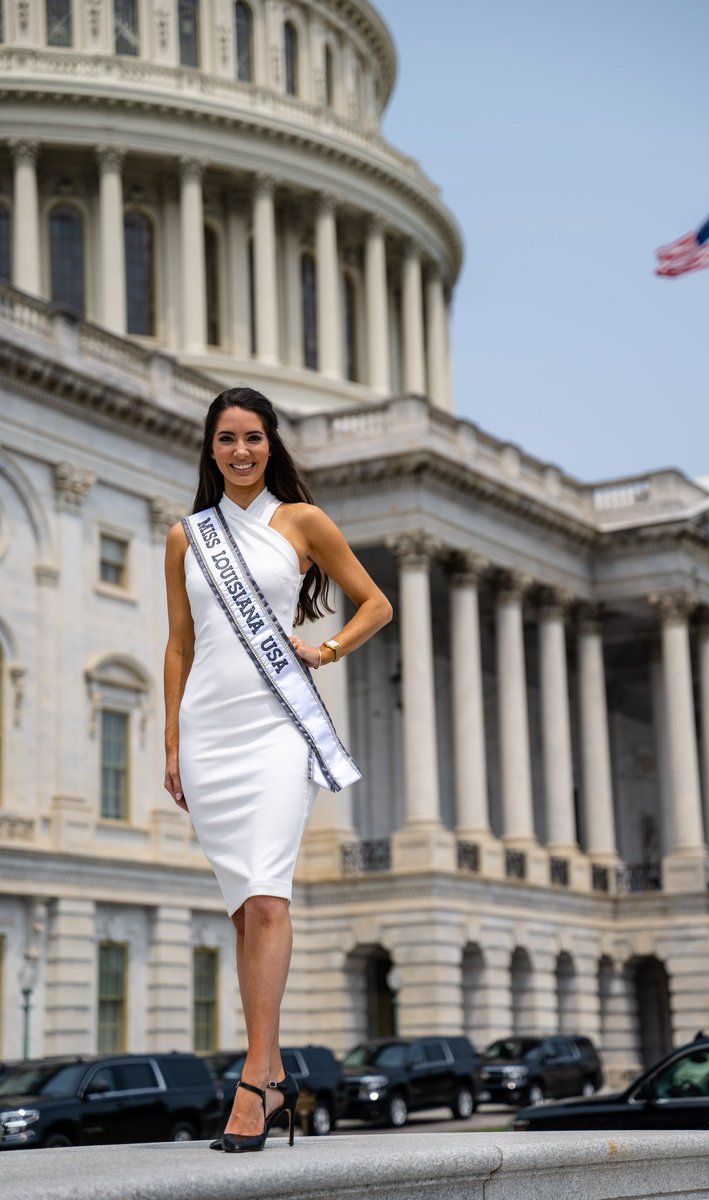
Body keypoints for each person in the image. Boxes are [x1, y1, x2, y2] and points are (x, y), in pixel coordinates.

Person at [163, 387, 392, 1151]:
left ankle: (256, 1080)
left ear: (271, 444)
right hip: (209, 734)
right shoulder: (185, 537)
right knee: (243, 912)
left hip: (274, 731)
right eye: (226, 438)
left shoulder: (302, 522)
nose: (240, 451)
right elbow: (179, 647)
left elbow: (374, 605)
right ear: (210, 446)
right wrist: (170, 742)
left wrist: (324, 650)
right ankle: (268, 1069)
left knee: (268, 901)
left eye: (252, 438)